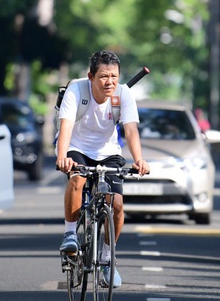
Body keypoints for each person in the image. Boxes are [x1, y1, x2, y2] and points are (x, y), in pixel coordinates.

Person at [55, 50, 150, 288]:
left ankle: (107, 259)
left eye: (114, 76)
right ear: (91, 76)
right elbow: (65, 126)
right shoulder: (76, 90)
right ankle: (69, 235)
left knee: (116, 203)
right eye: (104, 77)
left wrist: (139, 159)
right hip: (76, 147)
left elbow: (130, 131)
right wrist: (62, 156)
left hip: (108, 152)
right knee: (77, 180)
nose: (110, 82)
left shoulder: (123, 94)